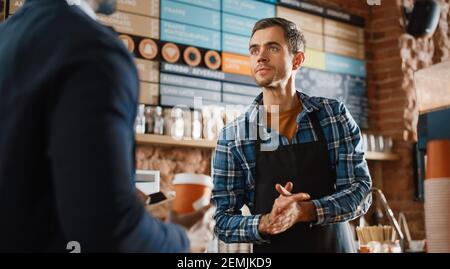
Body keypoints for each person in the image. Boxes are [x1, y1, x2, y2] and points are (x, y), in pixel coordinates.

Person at [0, 0, 210, 252]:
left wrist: (161, 226)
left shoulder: (8, 35)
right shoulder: (93, 50)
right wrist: (183, 241)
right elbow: (110, 230)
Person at [212, 17, 372, 253]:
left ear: (297, 60)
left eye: (272, 47)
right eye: (254, 50)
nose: (261, 56)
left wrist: (304, 211)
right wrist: (266, 222)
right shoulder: (233, 135)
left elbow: (360, 190)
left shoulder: (332, 115)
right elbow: (221, 220)